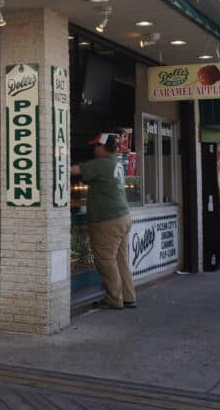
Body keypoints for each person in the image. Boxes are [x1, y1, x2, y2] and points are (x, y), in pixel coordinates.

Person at [71, 133, 136, 310]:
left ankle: (114, 299)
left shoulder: (101, 163)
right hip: (123, 217)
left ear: (103, 148)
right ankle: (128, 297)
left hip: (107, 220)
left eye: (96, 146)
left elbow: (74, 170)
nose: (93, 149)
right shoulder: (116, 162)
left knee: (106, 260)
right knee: (121, 260)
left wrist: (56, 161)